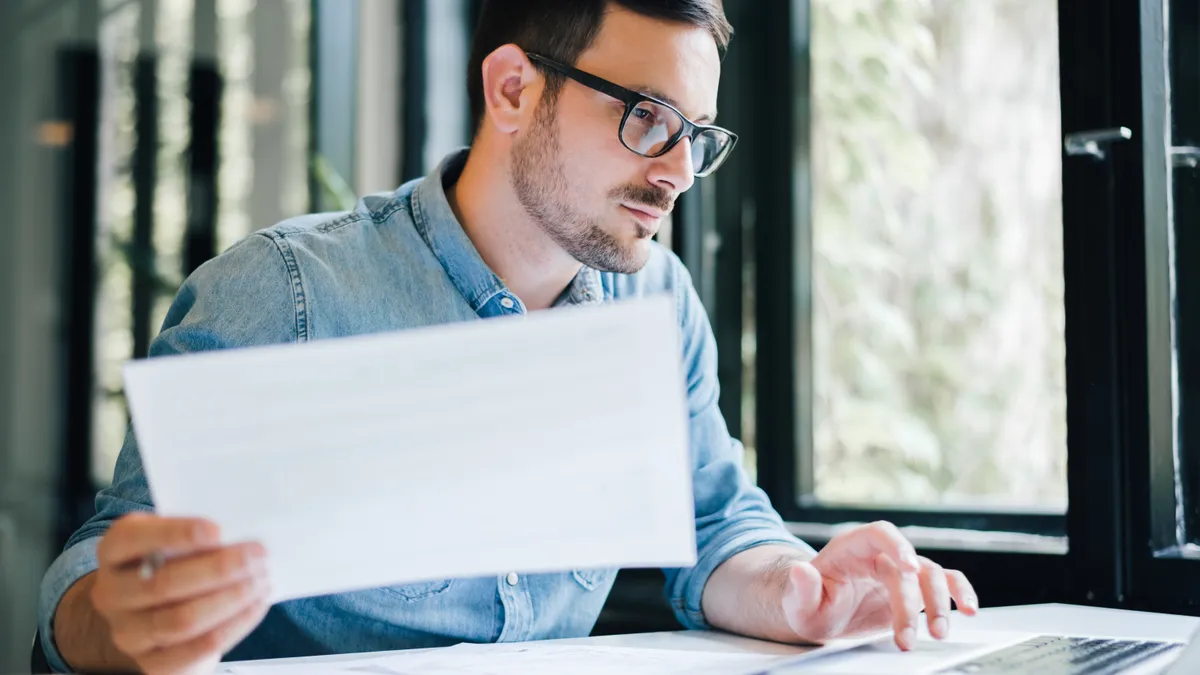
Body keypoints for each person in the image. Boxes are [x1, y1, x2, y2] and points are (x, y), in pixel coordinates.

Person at [37, 1, 979, 673]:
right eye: (648, 119)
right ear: (513, 88)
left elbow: (711, 524)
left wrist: (799, 590)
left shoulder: (657, 305)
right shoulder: (285, 296)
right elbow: (105, 567)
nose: (681, 171)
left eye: (697, 134)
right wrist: (111, 625)